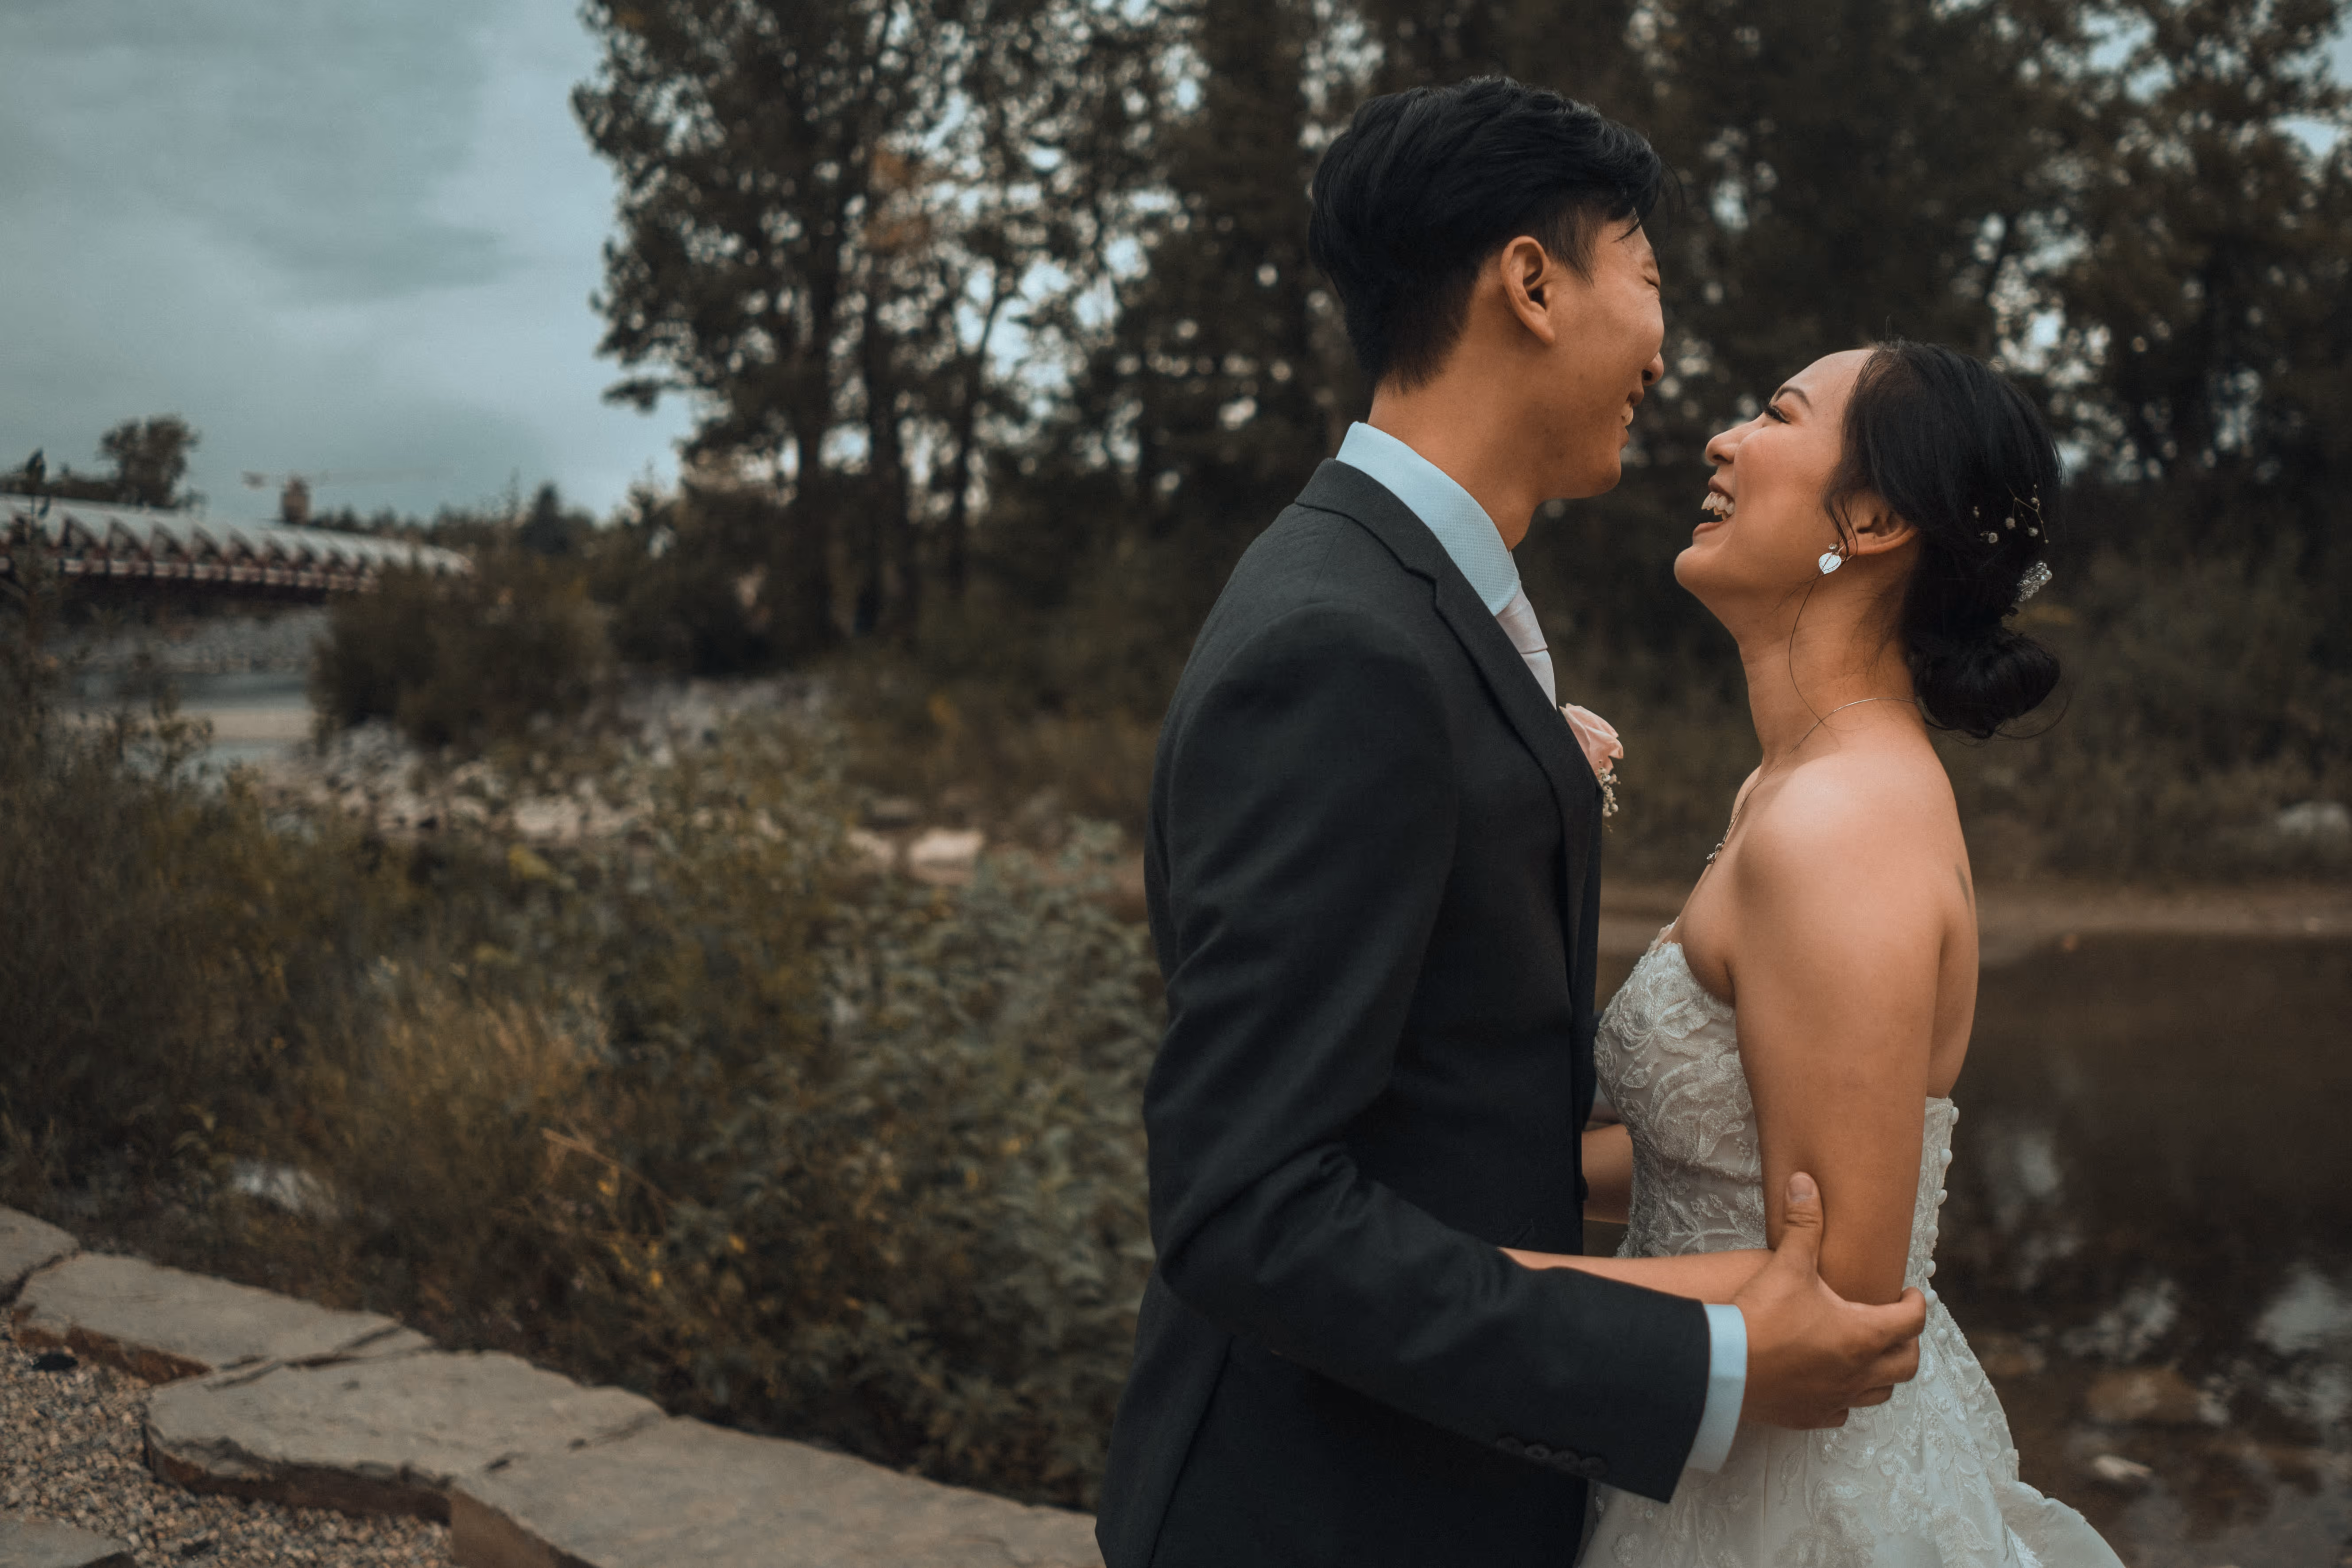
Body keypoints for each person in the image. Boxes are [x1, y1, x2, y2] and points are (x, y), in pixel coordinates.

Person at [1094, 78, 1928, 1568]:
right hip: (1325, 1516)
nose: (1667, 357)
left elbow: (1439, 1100)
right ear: (1532, 284)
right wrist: (1710, 1366)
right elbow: (1247, 1209)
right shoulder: (1342, 644)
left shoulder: (1402, 595)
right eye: (1652, 281)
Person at [1519, 340, 2124, 1563]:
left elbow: (1842, 1298)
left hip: (1790, 1499)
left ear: (1872, 515)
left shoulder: (1839, 826)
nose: (1719, 439)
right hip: (1713, 1448)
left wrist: (1476, 1285)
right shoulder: (1790, 784)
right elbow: (1729, 1163)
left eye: (1774, 414)